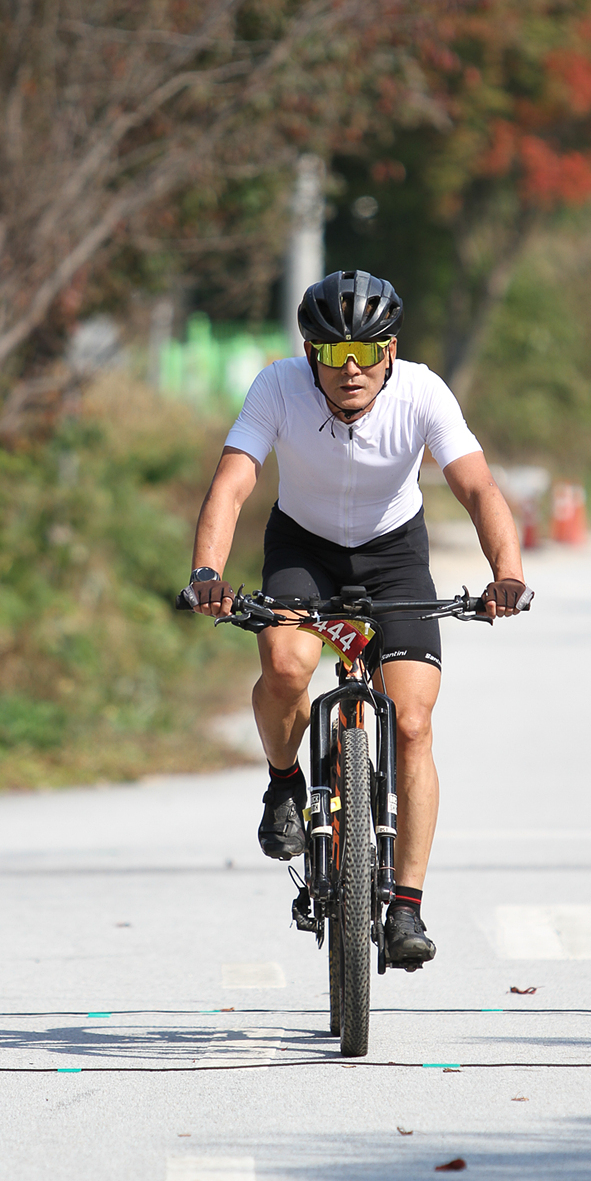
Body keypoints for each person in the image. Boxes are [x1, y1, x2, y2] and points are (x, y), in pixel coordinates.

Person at [184, 269, 527, 968]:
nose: (351, 369)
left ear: (389, 352)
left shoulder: (423, 393)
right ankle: (286, 784)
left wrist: (508, 574)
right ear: (311, 354)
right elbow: (233, 482)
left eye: (366, 353)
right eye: (335, 354)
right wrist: (207, 574)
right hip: (303, 549)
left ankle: (406, 907)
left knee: (413, 723)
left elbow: (477, 486)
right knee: (285, 666)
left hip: (394, 556)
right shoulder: (277, 387)